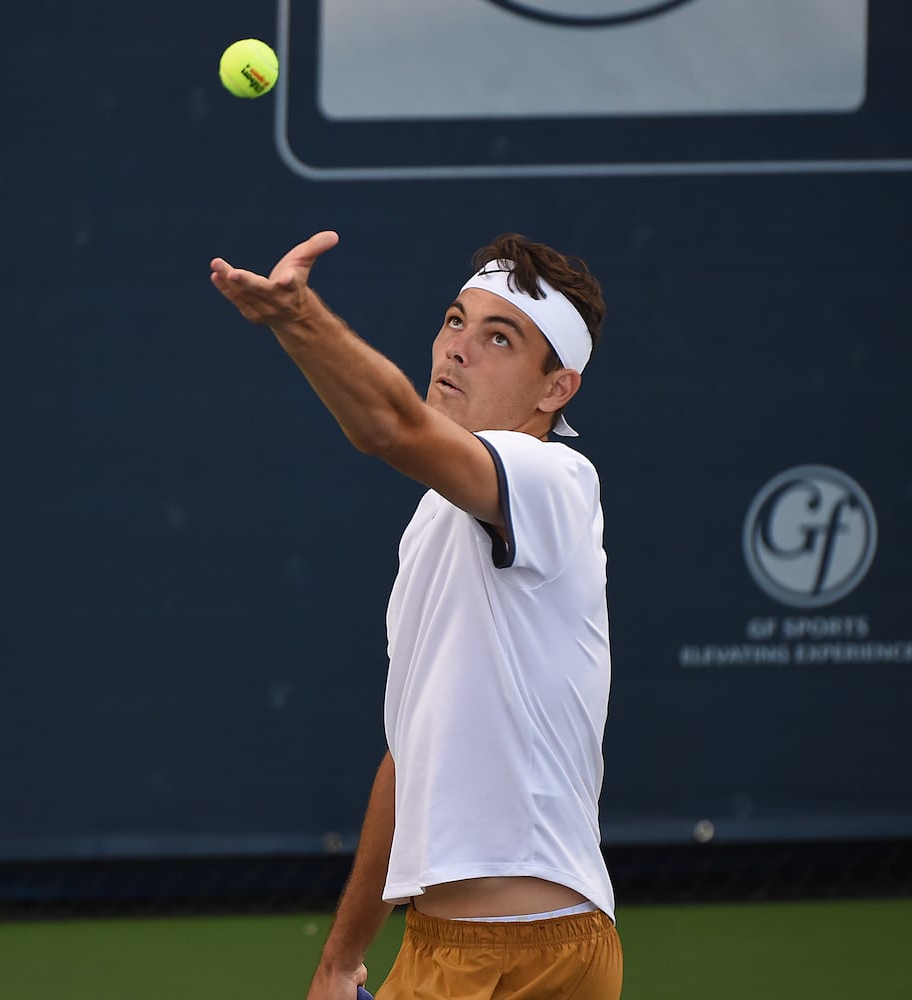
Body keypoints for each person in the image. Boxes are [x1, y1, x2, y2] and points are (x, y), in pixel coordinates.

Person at [209, 231, 621, 1000]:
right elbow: (411, 755)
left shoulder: (553, 477)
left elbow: (388, 427)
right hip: (496, 944)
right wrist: (340, 957)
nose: (458, 348)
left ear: (554, 389)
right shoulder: (440, 523)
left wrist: (297, 317)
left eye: (499, 338)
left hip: (507, 954)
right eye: (454, 321)